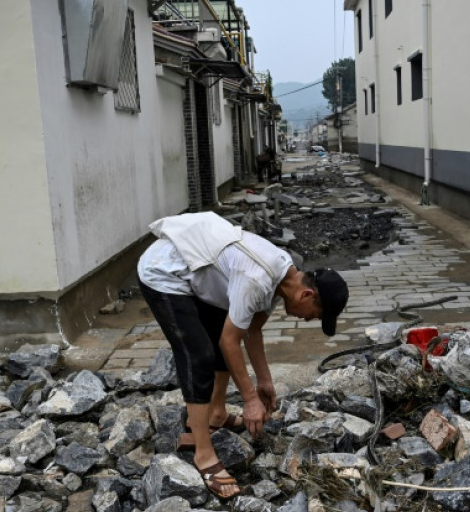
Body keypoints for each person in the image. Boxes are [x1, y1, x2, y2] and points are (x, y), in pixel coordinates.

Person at [136, 212, 348, 499]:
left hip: (199, 273)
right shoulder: (258, 277)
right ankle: (203, 453)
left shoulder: (283, 276)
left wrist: (264, 382)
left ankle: (217, 413)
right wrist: (249, 399)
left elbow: (252, 331)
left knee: (226, 335)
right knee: (199, 356)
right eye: (315, 317)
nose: (308, 321)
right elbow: (230, 342)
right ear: (307, 296)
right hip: (164, 271)